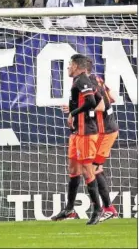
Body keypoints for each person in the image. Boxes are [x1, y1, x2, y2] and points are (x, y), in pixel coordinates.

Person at [51, 54, 102, 225]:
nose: (67, 68)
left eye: (69, 64)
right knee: (73, 170)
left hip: (86, 133)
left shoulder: (82, 80)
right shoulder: (81, 81)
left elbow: (92, 101)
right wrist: (73, 109)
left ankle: (97, 210)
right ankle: (69, 208)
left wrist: (73, 113)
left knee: (88, 170)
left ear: (76, 66)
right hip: (76, 133)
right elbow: (99, 99)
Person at [84, 58, 119, 221]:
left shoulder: (89, 83)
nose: (69, 67)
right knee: (93, 168)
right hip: (104, 130)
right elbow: (112, 98)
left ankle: (108, 208)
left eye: (71, 64)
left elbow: (103, 105)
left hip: (106, 132)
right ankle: (108, 208)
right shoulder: (97, 79)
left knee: (92, 168)